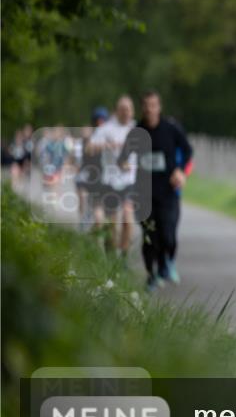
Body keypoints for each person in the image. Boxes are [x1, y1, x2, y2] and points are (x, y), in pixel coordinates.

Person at [120, 91, 193, 291]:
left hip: (169, 192)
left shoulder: (171, 129)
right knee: (150, 238)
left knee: (168, 234)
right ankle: (151, 276)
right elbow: (124, 156)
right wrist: (125, 163)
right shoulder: (137, 131)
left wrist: (180, 171)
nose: (149, 109)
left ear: (159, 107)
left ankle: (166, 264)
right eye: (146, 106)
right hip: (144, 194)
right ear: (142, 108)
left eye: (153, 105)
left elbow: (188, 150)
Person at [88, 96, 137, 256]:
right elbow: (89, 148)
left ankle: (123, 257)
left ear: (133, 111)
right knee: (112, 224)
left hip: (129, 181)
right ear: (117, 111)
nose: (126, 113)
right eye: (123, 109)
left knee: (128, 220)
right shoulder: (106, 129)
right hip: (110, 181)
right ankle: (111, 258)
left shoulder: (137, 128)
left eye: (129, 109)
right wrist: (106, 145)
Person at [75, 107, 108, 231]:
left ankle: (92, 231)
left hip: (102, 176)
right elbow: (83, 153)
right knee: (83, 195)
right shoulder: (88, 136)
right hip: (87, 172)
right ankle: (83, 217)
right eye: (98, 120)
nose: (100, 123)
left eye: (102, 120)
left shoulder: (108, 136)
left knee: (98, 213)